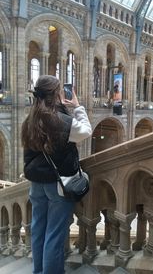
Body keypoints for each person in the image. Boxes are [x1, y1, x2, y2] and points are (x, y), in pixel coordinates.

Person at [21, 75, 92, 274]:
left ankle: (39, 271)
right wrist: (77, 106)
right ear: (56, 94)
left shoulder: (29, 120)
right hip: (58, 185)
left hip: (36, 185)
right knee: (54, 235)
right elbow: (86, 131)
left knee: (38, 232)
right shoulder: (61, 121)